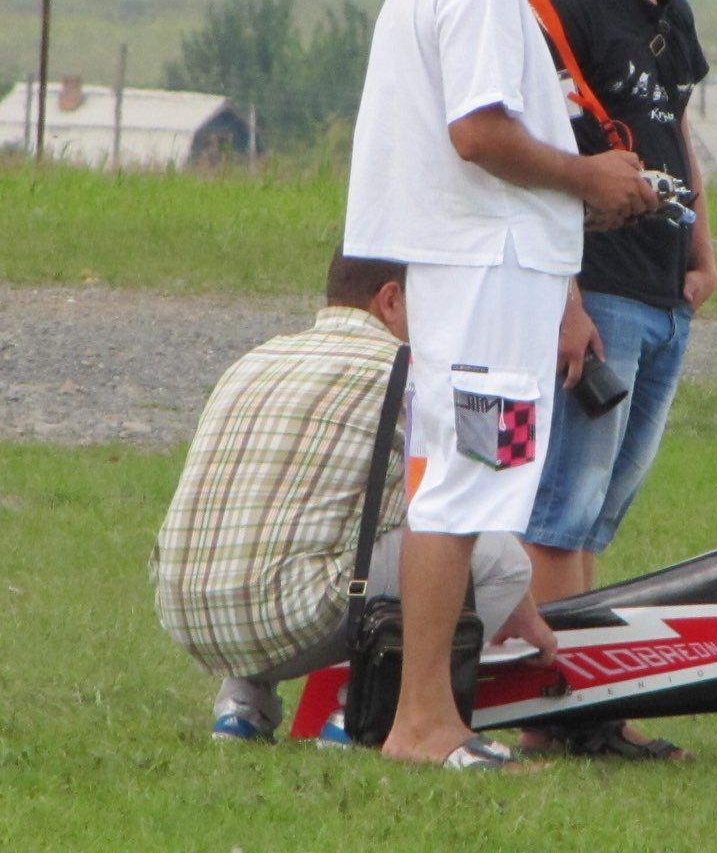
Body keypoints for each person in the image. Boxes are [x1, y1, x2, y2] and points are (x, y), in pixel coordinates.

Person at [343, 0, 658, 770]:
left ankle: (436, 712)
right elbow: (478, 133)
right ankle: (423, 722)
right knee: (460, 486)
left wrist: (575, 199)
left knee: (475, 484)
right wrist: (589, 178)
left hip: (491, 267)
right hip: (483, 273)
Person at [151, 251, 552, 752]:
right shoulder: (416, 374)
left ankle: (242, 706)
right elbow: (469, 503)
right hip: (292, 616)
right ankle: (363, 709)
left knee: (284, 529)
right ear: (391, 299)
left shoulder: (259, 356)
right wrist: (527, 611)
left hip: (185, 612)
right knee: (503, 563)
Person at [522, 0, 717, 761]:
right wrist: (563, 293)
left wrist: (701, 248)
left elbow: (677, 134)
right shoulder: (569, 7)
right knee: (563, 505)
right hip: (598, 285)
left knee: (603, 509)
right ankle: (556, 706)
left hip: (662, 285)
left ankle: (588, 694)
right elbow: (547, 160)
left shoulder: (672, 16)